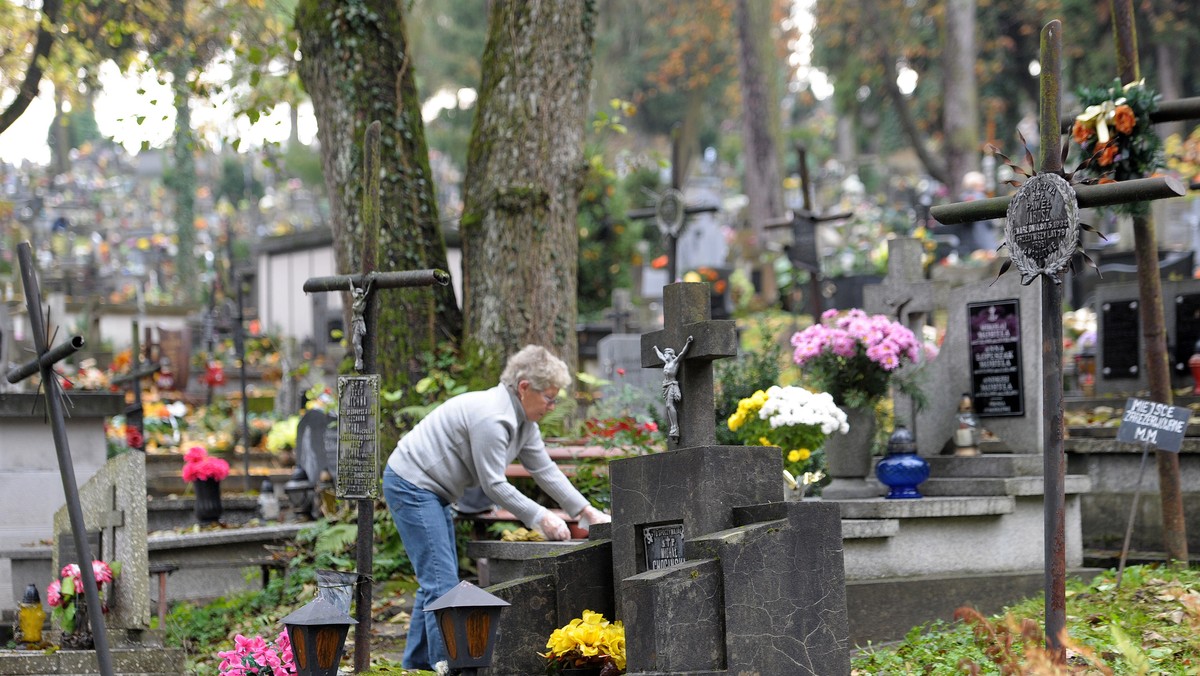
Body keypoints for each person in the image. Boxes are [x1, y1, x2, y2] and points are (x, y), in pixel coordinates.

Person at [382, 344, 611, 671]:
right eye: (549, 397)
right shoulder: (493, 416)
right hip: (412, 484)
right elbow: (493, 484)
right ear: (524, 388)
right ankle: (445, 666)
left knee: (435, 580)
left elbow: (544, 470)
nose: (552, 406)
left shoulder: (523, 423)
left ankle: (414, 666)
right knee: (442, 586)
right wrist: (541, 517)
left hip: (432, 490)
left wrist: (587, 513)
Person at [654, 335, 693, 440]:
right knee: (668, 406)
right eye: (665, 353)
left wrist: (688, 343)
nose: (665, 355)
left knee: (668, 405)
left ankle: (675, 426)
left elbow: (682, 354)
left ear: (671, 354)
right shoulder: (666, 363)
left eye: (667, 353)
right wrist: (656, 349)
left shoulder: (674, 363)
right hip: (665, 386)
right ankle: (673, 426)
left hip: (672, 385)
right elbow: (660, 355)